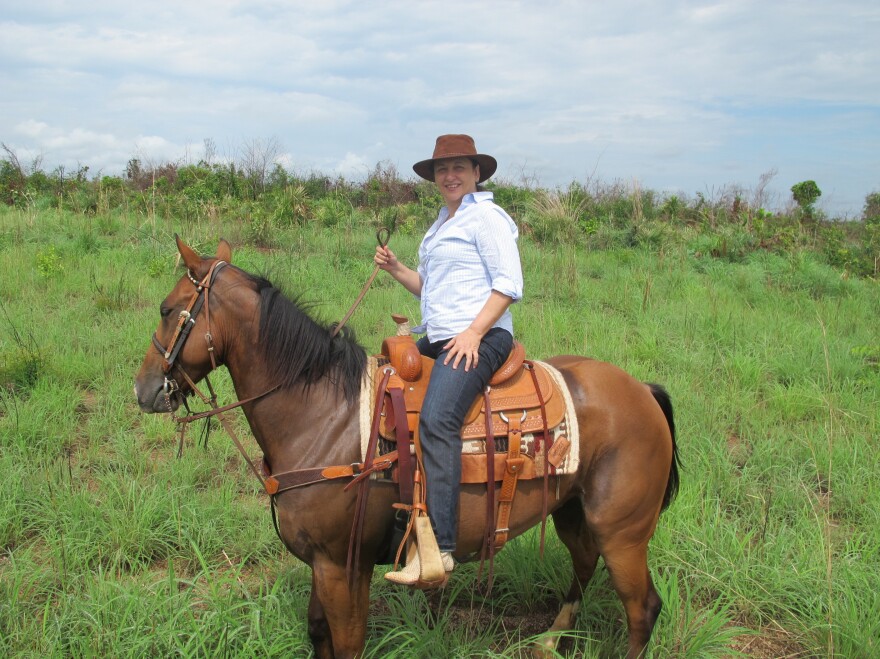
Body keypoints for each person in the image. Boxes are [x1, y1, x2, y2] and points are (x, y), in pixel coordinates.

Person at [376, 134, 523, 586]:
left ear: (476, 173)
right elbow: (433, 291)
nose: (450, 176)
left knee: (438, 418)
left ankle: (439, 547)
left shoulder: (487, 217)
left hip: (484, 337)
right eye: (442, 170)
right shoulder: (441, 223)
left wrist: (475, 332)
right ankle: (393, 515)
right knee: (379, 383)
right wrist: (398, 269)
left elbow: (509, 283)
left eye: (459, 167)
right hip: (441, 337)